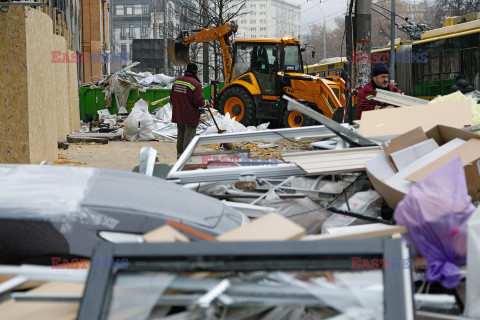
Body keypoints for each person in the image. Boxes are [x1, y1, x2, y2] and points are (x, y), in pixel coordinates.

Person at [170, 62, 208, 158]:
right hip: (190, 115)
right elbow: (199, 101)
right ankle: (185, 159)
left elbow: (172, 98)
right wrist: (206, 103)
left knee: (181, 137)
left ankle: (179, 157)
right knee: (188, 138)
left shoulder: (177, 81)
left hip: (178, 113)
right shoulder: (196, 84)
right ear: (195, 72)